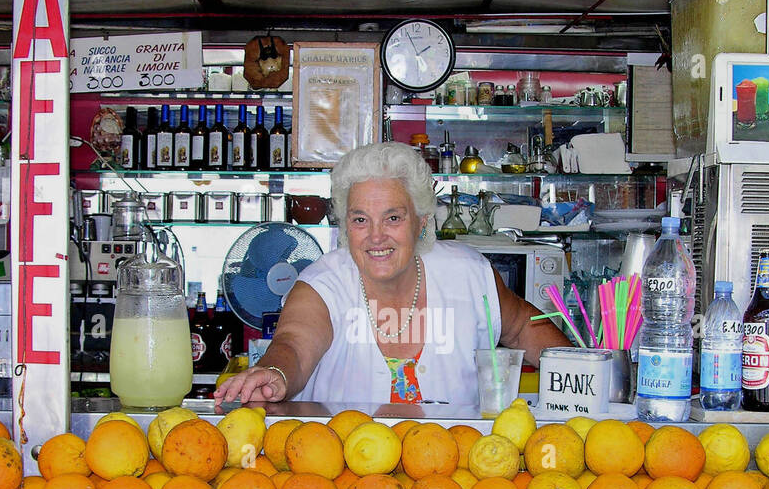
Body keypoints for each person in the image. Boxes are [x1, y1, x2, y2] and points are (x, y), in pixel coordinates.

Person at [214, 141, 570, 408]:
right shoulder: (322, 284)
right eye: (360, 220)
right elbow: (293, 343)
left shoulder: (468, 273)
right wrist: (275, 374)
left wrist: (581, 372)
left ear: (422, 223)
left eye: (393, 218)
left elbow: (522, 324)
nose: (376, 235)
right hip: (340, 479)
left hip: (455, 476)